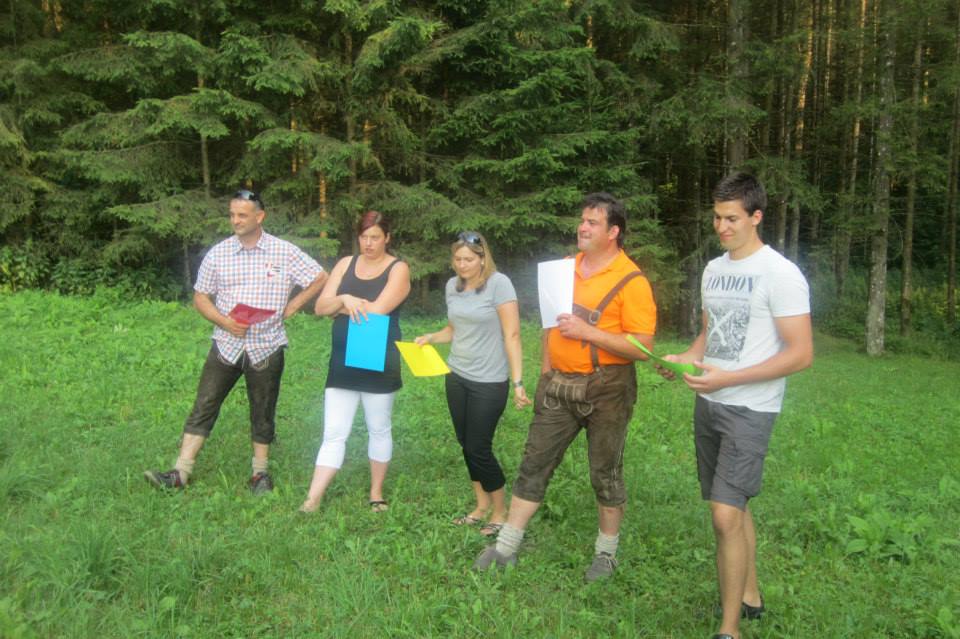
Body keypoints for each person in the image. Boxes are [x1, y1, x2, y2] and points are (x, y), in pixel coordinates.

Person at [656, 173, 813, 639]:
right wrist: (685, 358)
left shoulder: (780, 273)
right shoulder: (713, 269)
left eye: (731, 219)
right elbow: (711, 334)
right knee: (733, 506)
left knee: (724, 515)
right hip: (709, 401)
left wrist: (730, 378)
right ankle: (750, 595)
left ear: (756, 216)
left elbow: (800, 354)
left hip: (751, 407)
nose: (721, 227)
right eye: (717, 218)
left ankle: (730, 630)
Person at [473, 192, 657, 582]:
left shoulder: (632, 280)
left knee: (605, 471)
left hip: (609, 388)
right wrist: (545, 373)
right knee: (534, 462)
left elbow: (643, 347)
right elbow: (549, 326)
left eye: (593, 222)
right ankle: (506, 546)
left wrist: (589, 332)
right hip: (558, 383)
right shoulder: (563, 270)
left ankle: (606, 554)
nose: (582, 227)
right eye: (582, 220)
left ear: (613, 232)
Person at [144, 189, 327, 493]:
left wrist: (295, 304)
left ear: (260, 217)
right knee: (205, 404)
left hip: (267, 345)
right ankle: (180, 473)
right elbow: (201, 297)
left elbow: (320, 276)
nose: (236, 220)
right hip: (226, 345)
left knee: (263, 410)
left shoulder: (283, 251)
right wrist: (224, 321)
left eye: (242, 215)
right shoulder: (219, 253)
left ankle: (260, 475)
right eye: (232, 215)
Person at [414, 231, 531, 536]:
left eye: (468, 259)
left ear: (482, 258)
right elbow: (453, 329)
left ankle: (500, 511)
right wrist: (431, 337)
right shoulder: (453, 287)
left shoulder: (499, 284)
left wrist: (518, 382)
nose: (462, 264)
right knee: (466, 443)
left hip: (489, 381)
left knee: (479, 447)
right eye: (457, 259)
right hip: (456, 376)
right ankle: (481, 506)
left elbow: (512, 335)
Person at [300, 210, 411, 513]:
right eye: (364, 237)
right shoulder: (345, 264)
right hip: (343, 361)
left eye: (375, 237)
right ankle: (313, 498)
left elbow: (376, 312)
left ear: (387, 238)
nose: (369, 243)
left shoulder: (398, 269)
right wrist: (344, 299)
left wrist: (340, 305)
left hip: (379, 358)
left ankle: (376, 493)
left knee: (378, 427)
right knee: (334, 431)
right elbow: (320, 307)